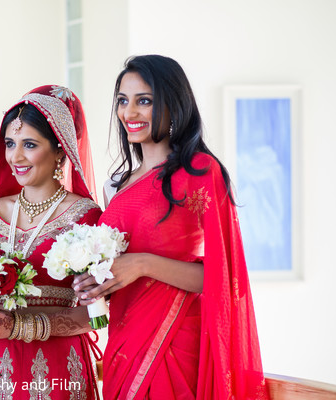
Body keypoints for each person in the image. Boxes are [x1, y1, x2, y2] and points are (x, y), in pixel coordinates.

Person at [73, 55, 270, 399]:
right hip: (123, 343)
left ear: (172, 102)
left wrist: (143, 264)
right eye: (123, 100)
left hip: (176, 342)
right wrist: (95, 282)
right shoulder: (114, 187)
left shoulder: (199, 171)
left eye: (144, 101)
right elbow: (118, 272)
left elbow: (225, 279)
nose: (129, 113)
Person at [0, 85, 102, 400]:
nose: (16, 156)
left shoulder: (85, 217)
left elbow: (97, 314)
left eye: (29, 144)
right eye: (10, 143)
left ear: (60, 152)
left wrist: (19, 326)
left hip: (58, 366)